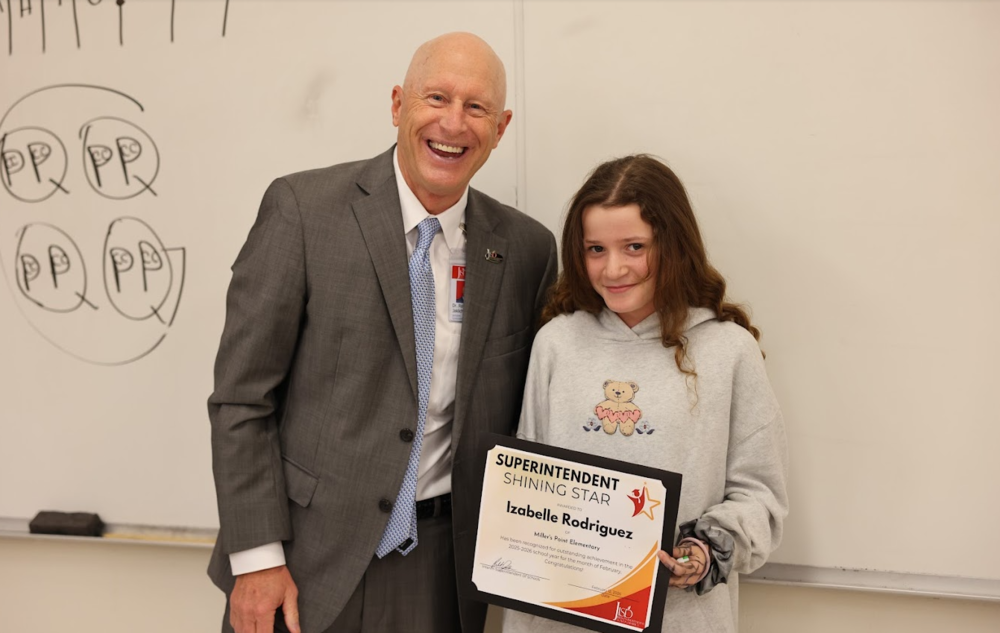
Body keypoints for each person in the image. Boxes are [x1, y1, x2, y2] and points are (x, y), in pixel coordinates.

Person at [207, 32, 557, 633]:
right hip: (301, 564)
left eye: (476, 108)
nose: (454, 123)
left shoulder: (526, 249)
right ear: (398, 105)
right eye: (436, 97)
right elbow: (242, 399)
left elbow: (543, 409)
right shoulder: (302, 210)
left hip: (444, 573)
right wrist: (258, 558)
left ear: (500, 128)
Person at [500, 155, 788, 633]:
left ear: (673, 246)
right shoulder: (556, 342)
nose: (613, 269)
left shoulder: (729, 351)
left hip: (682, 618)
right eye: (595, 249)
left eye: (635, 246)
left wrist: (704, 550)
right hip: (557, 619)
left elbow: (760, 494)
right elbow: (527, 478)